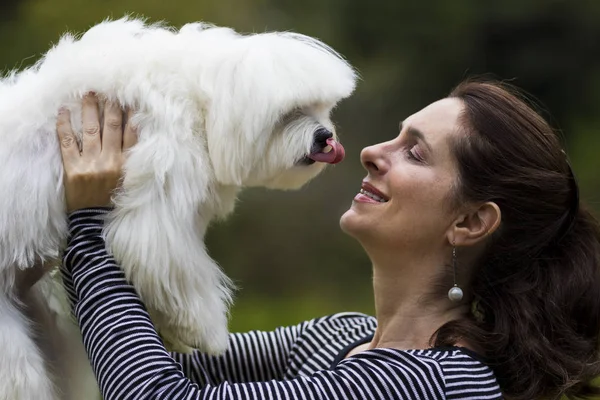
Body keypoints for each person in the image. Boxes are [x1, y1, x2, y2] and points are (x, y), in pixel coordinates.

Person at [54, 80, 600, 400]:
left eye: (415, 152)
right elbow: (148, 364)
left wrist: (88, 224)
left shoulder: (434, 381)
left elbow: (154, 395)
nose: (371, 152)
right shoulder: (341, 339)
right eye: (397, 135)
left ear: (471, 223)